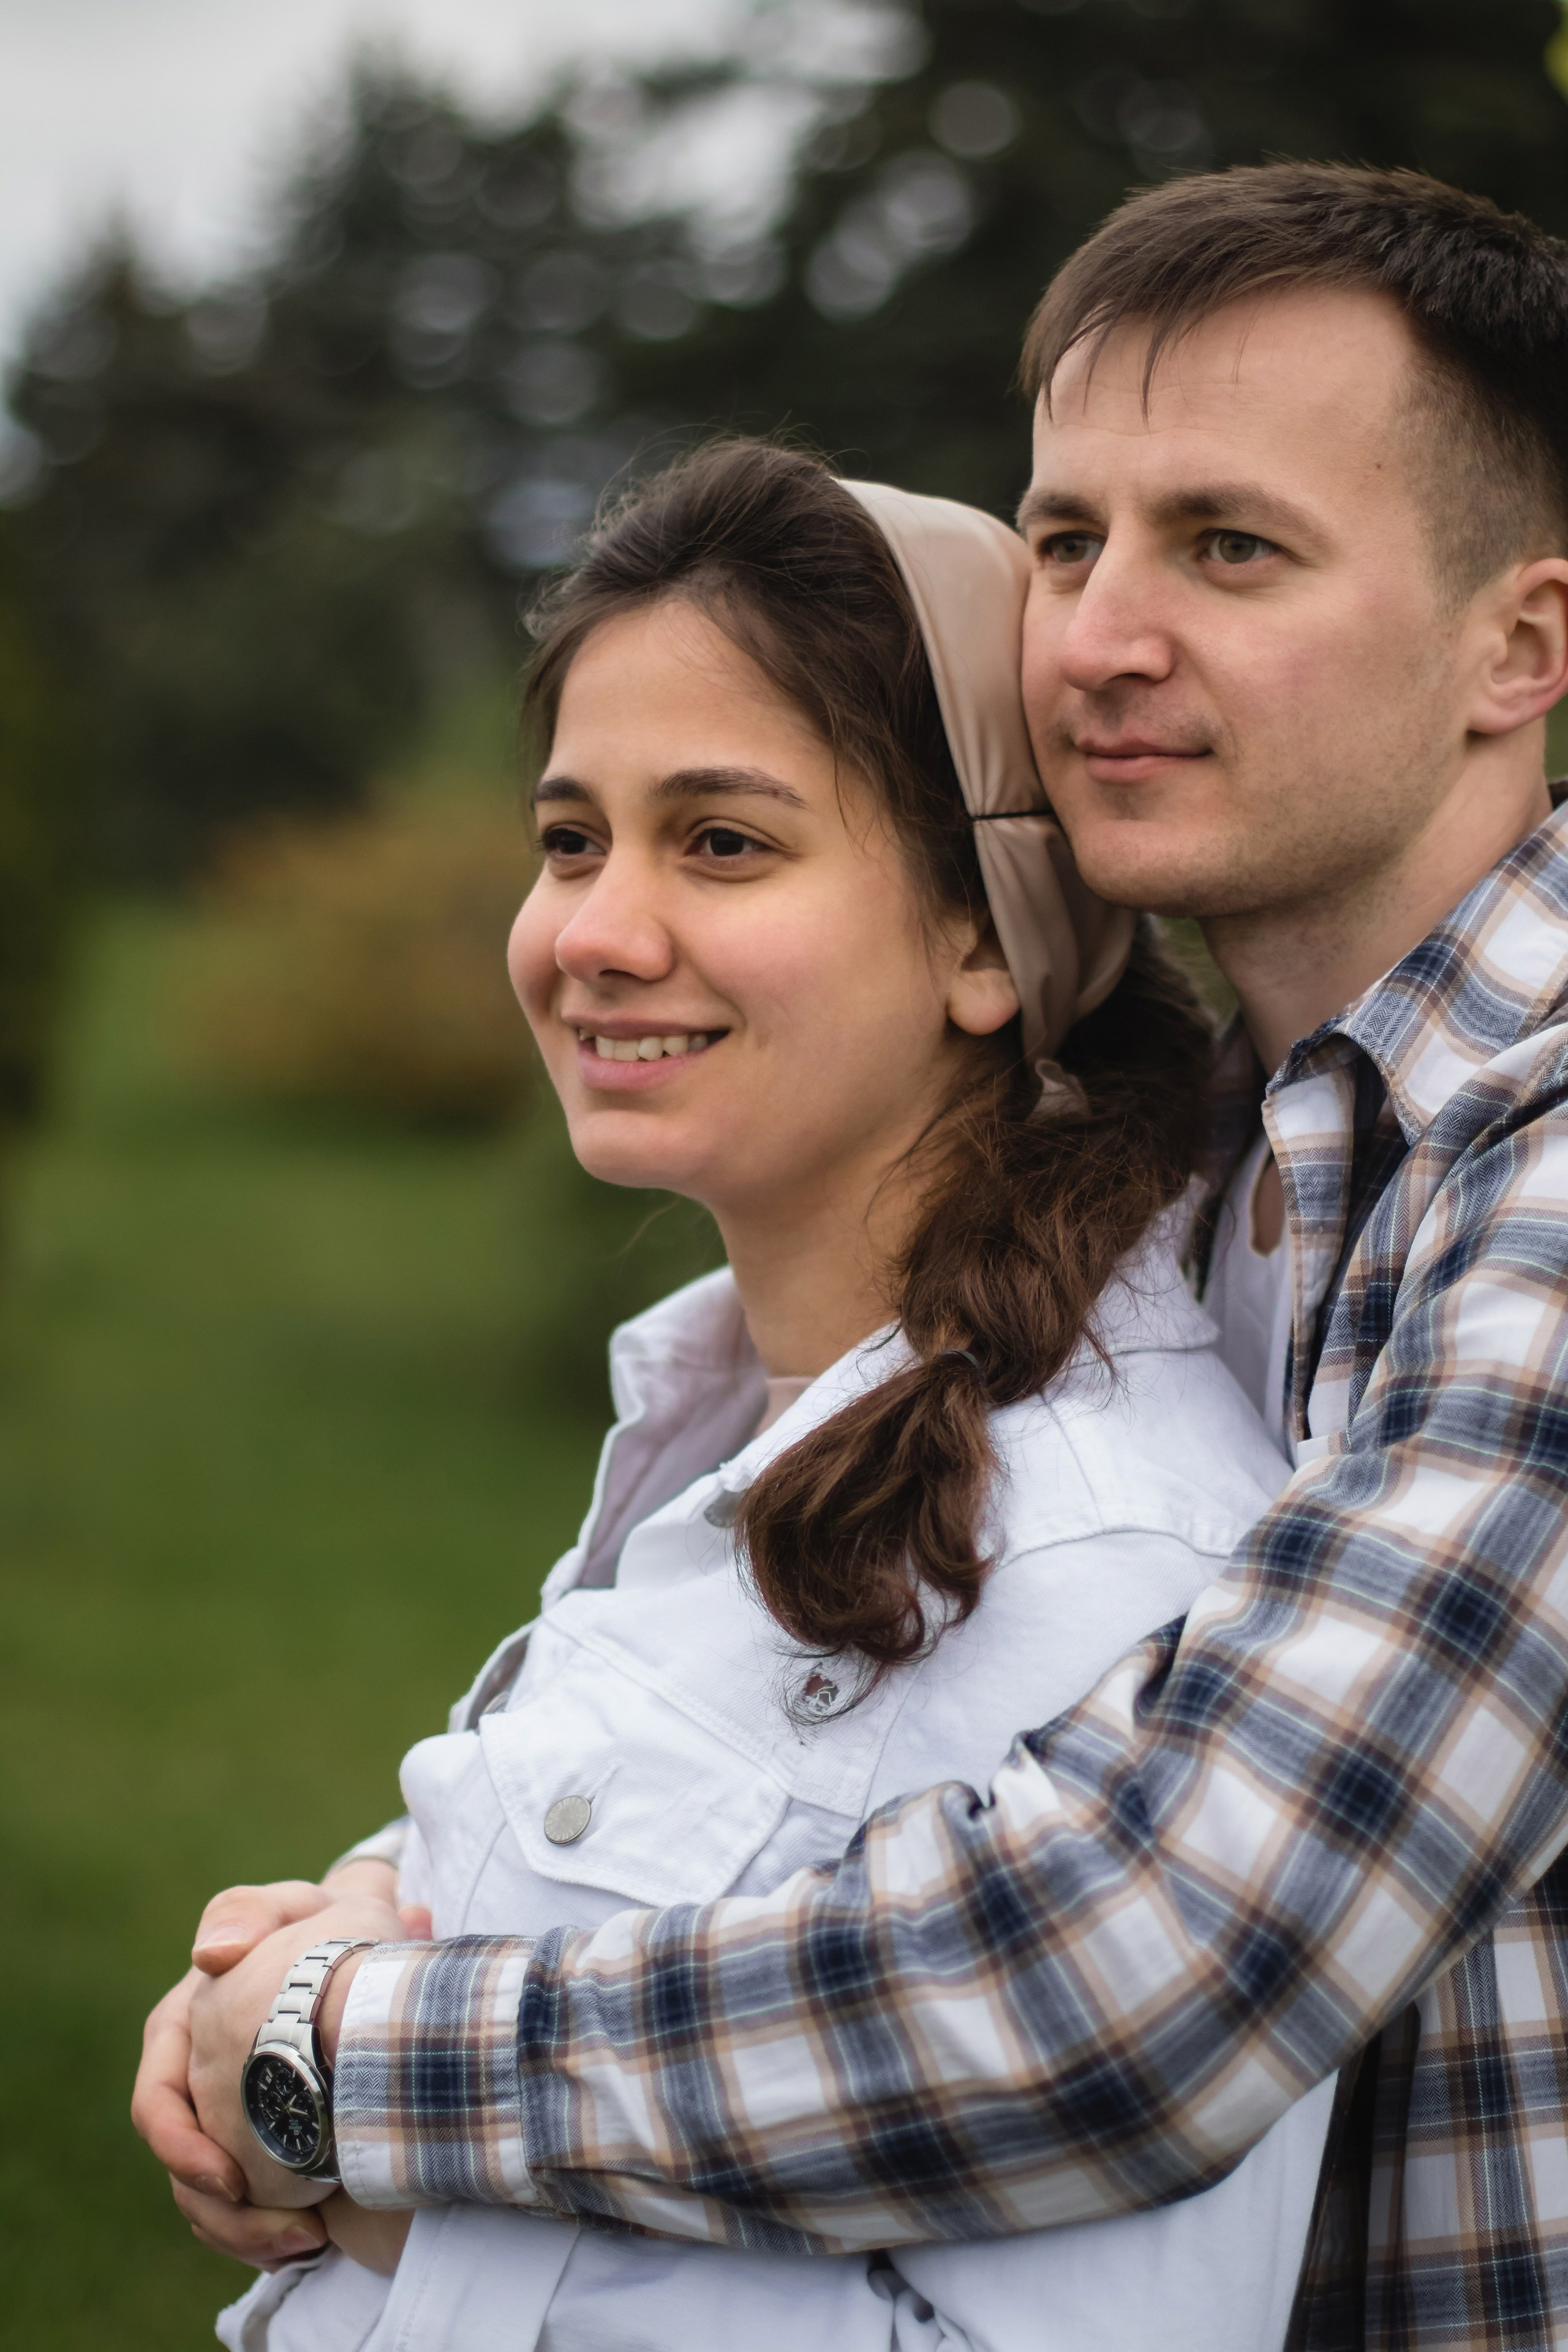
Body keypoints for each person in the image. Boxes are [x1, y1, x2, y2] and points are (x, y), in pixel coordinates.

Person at [135, 162, 1568, 2350]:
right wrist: (401, 1893)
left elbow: (1153, 1969)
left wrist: (356, 2068)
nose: (1096, 638)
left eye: (1231, 545)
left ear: (1523, 645)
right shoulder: (1215, 1180)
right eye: (1067, 539)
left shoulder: (1527, 1172)